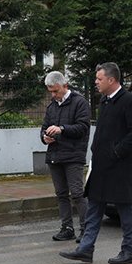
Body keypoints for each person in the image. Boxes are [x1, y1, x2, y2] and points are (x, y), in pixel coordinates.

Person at [60, 62, 132, 264]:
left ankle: (128, 251)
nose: (96, 82)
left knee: (125, 209)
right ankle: (85, 249)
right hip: (101, 166)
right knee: (94, 208)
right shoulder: (105, 101)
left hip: (120, 167)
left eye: (99, 79)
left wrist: (116, 151)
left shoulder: (130, 101)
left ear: (111, 79)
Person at [41, 71, 90, 242]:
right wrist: (44, 137)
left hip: (73, 155)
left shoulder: (80, 102)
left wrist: (62, 129)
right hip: (55, 155)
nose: (53, 95)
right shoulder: (52, 107)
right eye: (50, 92)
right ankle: (67, 228)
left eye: (55, 91)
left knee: (77, 193)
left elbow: (83, 127)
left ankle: (86, 229)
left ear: (65, 86)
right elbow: (44, 127)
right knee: (61, 194)